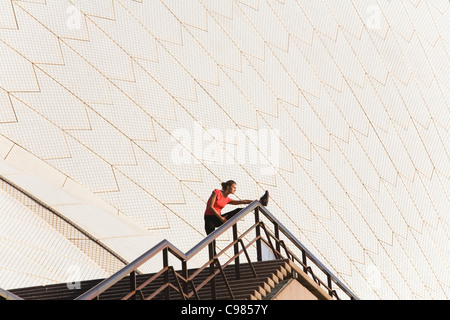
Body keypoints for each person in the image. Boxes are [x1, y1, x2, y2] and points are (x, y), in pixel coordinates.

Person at [204, 180, 269, 236]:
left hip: (218, 218)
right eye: (234, 187)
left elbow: (242, 201)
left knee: (238, 210)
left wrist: (257, 202)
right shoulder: (216, 192)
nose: (235, 189)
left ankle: (260, 202)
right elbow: (210, 207)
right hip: (209, 219)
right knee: (212, 240)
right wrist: (221, 218)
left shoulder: (227, 199)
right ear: (228, 187)